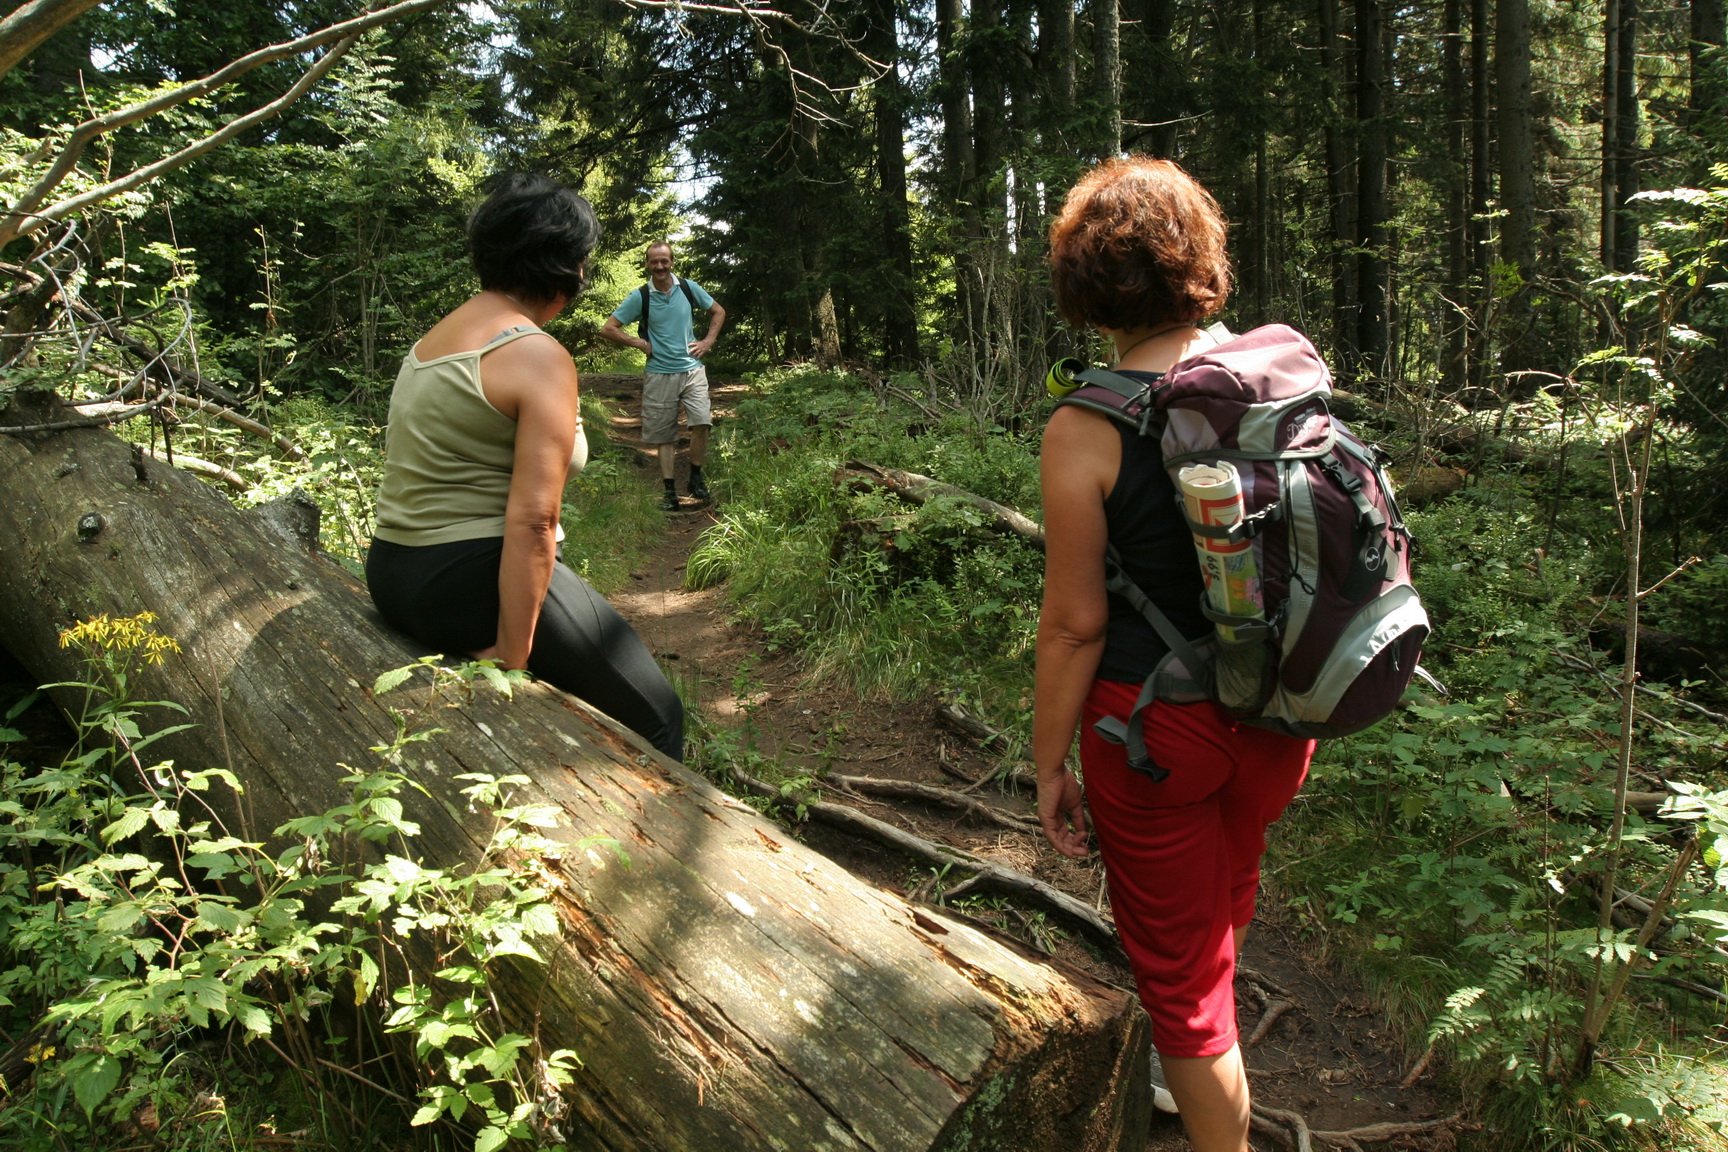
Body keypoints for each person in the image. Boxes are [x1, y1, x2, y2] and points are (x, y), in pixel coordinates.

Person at [1033, 156, 1316, 1152]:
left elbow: (1075, 624)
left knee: (1185, 996)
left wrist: (1048, 764)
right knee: (1228, 892)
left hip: (1154, 730)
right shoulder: (1271, 376)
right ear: (1199, 258)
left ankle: (1203, 1093)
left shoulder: (1085, 426)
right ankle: (1195, 1068)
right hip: (1280, 709)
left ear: (1087, 282)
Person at [365, 173, 684, 761]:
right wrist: (512, 656)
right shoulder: (534, 353)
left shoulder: (433, 340)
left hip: (393, 573)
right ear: (568, 267)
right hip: (470, 579)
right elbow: (535, 520)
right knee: (659, 717)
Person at [599, 241, 727, 511]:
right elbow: (609, 328)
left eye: (664, 261)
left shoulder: (689, 288)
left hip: (692, 370)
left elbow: (718, 311)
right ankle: (670, 492)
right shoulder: (641, 296)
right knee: (664, 434)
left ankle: (695, 478)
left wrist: (708, 341)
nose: (659, 266)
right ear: (647, 264)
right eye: (654, 262)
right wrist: (639, 343)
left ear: (672, 262)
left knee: (702, 422)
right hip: (659, 374)